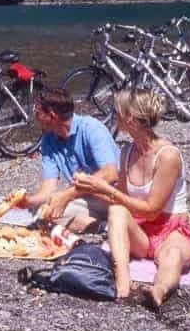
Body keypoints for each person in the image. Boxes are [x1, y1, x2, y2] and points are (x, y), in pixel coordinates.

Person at [74, 88, 190, 308]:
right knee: (116, 211)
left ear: (131, 119)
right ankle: (123, 279)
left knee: (172, 256)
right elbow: (123, 203)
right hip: (142, 231)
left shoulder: (168, 156)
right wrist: (90, 188)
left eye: (117, 112)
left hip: (170, 230)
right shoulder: (126, 151)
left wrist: (106, 189)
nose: (114, 116)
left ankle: (159, 290)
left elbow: (152, 209)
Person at [23, 87, 119, 232]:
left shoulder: (91, 128)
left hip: (115, 193)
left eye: (38, 113)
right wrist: (27, 201)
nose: (35, 118)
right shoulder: (48, 140)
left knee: (53, 212)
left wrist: (68, 194)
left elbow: (111, 174)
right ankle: (105, 226)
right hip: (87, 196)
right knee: (45, 212)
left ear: (52, 115)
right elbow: (48, 188)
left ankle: (114, 222)